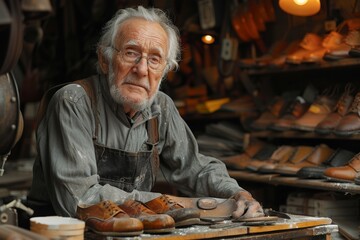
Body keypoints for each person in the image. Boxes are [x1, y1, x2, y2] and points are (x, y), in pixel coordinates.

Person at [28, 5, 264, 222]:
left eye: (154, 59)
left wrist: (236, 193)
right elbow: (80, 199)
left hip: (128, 231)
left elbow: (196, 168)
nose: (142, 69)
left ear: (164, 71)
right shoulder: (74, 101)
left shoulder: (160, 108)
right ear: (105, 60)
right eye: (131, 53)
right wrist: (164, 203)